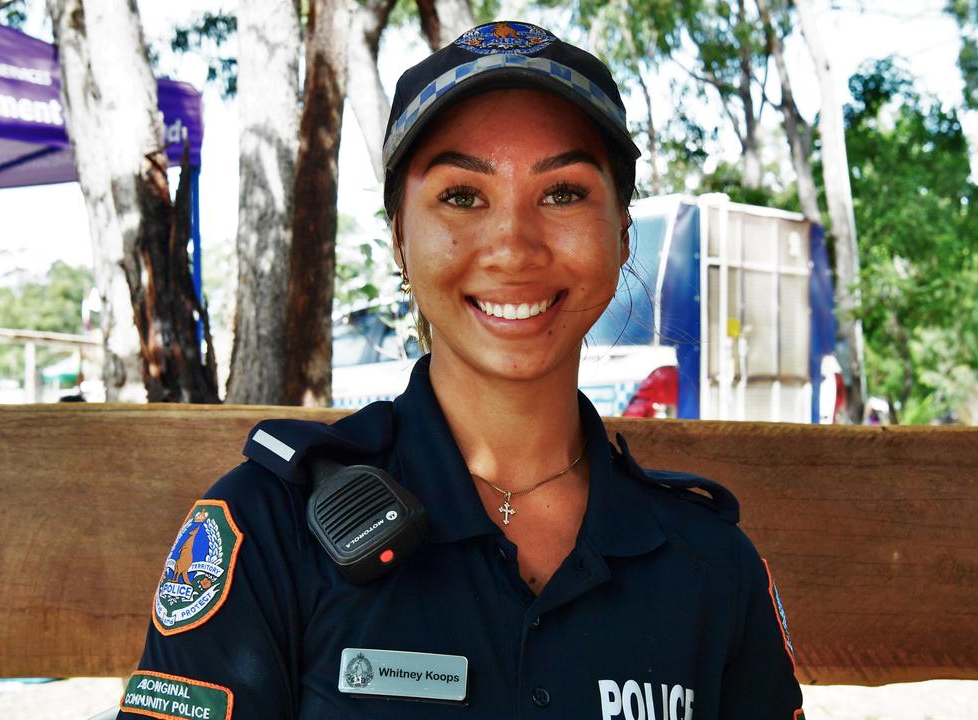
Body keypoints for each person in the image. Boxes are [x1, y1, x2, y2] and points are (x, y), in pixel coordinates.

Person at [119, 21, 804, 720]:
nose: (513, 248)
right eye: (462, 196)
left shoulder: (710, 565)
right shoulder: (270, 528)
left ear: (621, 234)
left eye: (563, 192)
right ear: (398, 237)